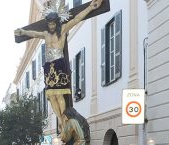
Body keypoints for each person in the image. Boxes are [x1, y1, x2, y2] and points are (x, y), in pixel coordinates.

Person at [15, 0, 103, 130]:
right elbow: (34, 33)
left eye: (52, 23)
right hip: (48, 66)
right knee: (51, 95)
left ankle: (64, 117)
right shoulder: (45, 34)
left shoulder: (63, 30)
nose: (51, 26)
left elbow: (77, 18)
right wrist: (23, 32)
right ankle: (60, 119)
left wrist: (90, 7)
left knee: (59, 94)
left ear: (56, 22)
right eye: (49, 24)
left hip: (59, 64)